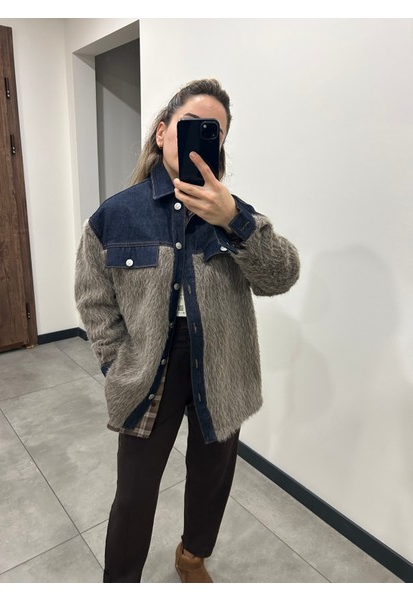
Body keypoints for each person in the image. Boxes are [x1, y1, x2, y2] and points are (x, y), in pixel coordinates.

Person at [75, 78, 300, 583]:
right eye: (190, 125)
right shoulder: (116, 215)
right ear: (161, 133)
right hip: (146, 367)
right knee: (134, 492)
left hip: (223, 364)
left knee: (211, 477)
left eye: (213, 132)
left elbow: (281, 276)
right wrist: (116, 362)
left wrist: (234, 220)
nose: (201, 138)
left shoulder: (235, 213)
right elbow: (94, 299)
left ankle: (192, 555)